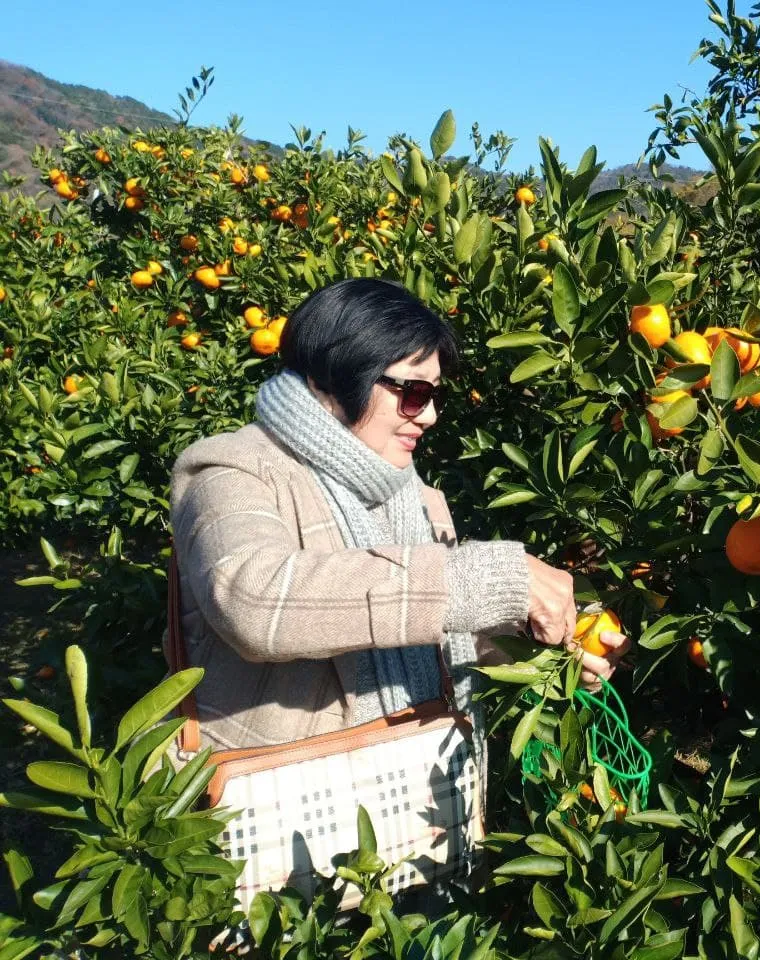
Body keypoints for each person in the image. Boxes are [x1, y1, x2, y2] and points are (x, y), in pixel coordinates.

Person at [167, 277, 629, 766]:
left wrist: (538, 638)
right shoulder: (231, 470)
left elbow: (433, 630)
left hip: (420, 805)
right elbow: (252, 599)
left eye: (433, 395)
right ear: (339, 374)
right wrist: (490, 578)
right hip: (292, 809)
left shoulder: (417, 498)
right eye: (412, 392)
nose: (428, 415)